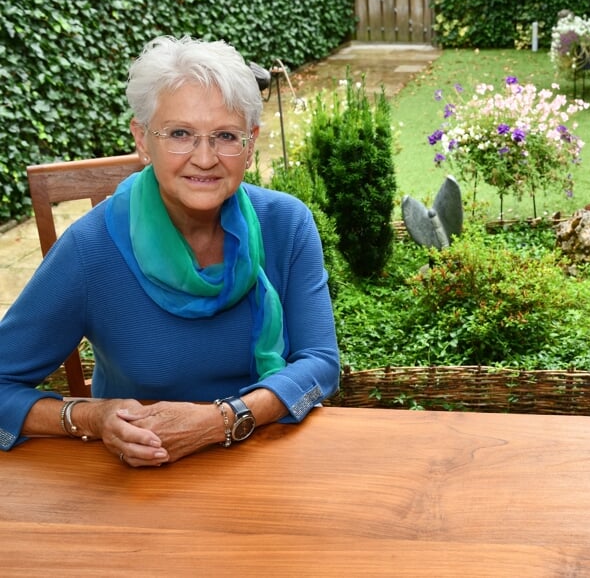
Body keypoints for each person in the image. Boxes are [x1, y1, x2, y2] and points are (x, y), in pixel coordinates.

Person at [0, 36, 340, 466]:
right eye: (180, 133)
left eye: (225, 136)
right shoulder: (90, 249)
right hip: (144, 482)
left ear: (250, 144)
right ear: (142, 140)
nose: (204, 158)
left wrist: (223, 420)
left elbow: (322, 365)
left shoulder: (287, 223)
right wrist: (91, 417)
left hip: (270, 461)